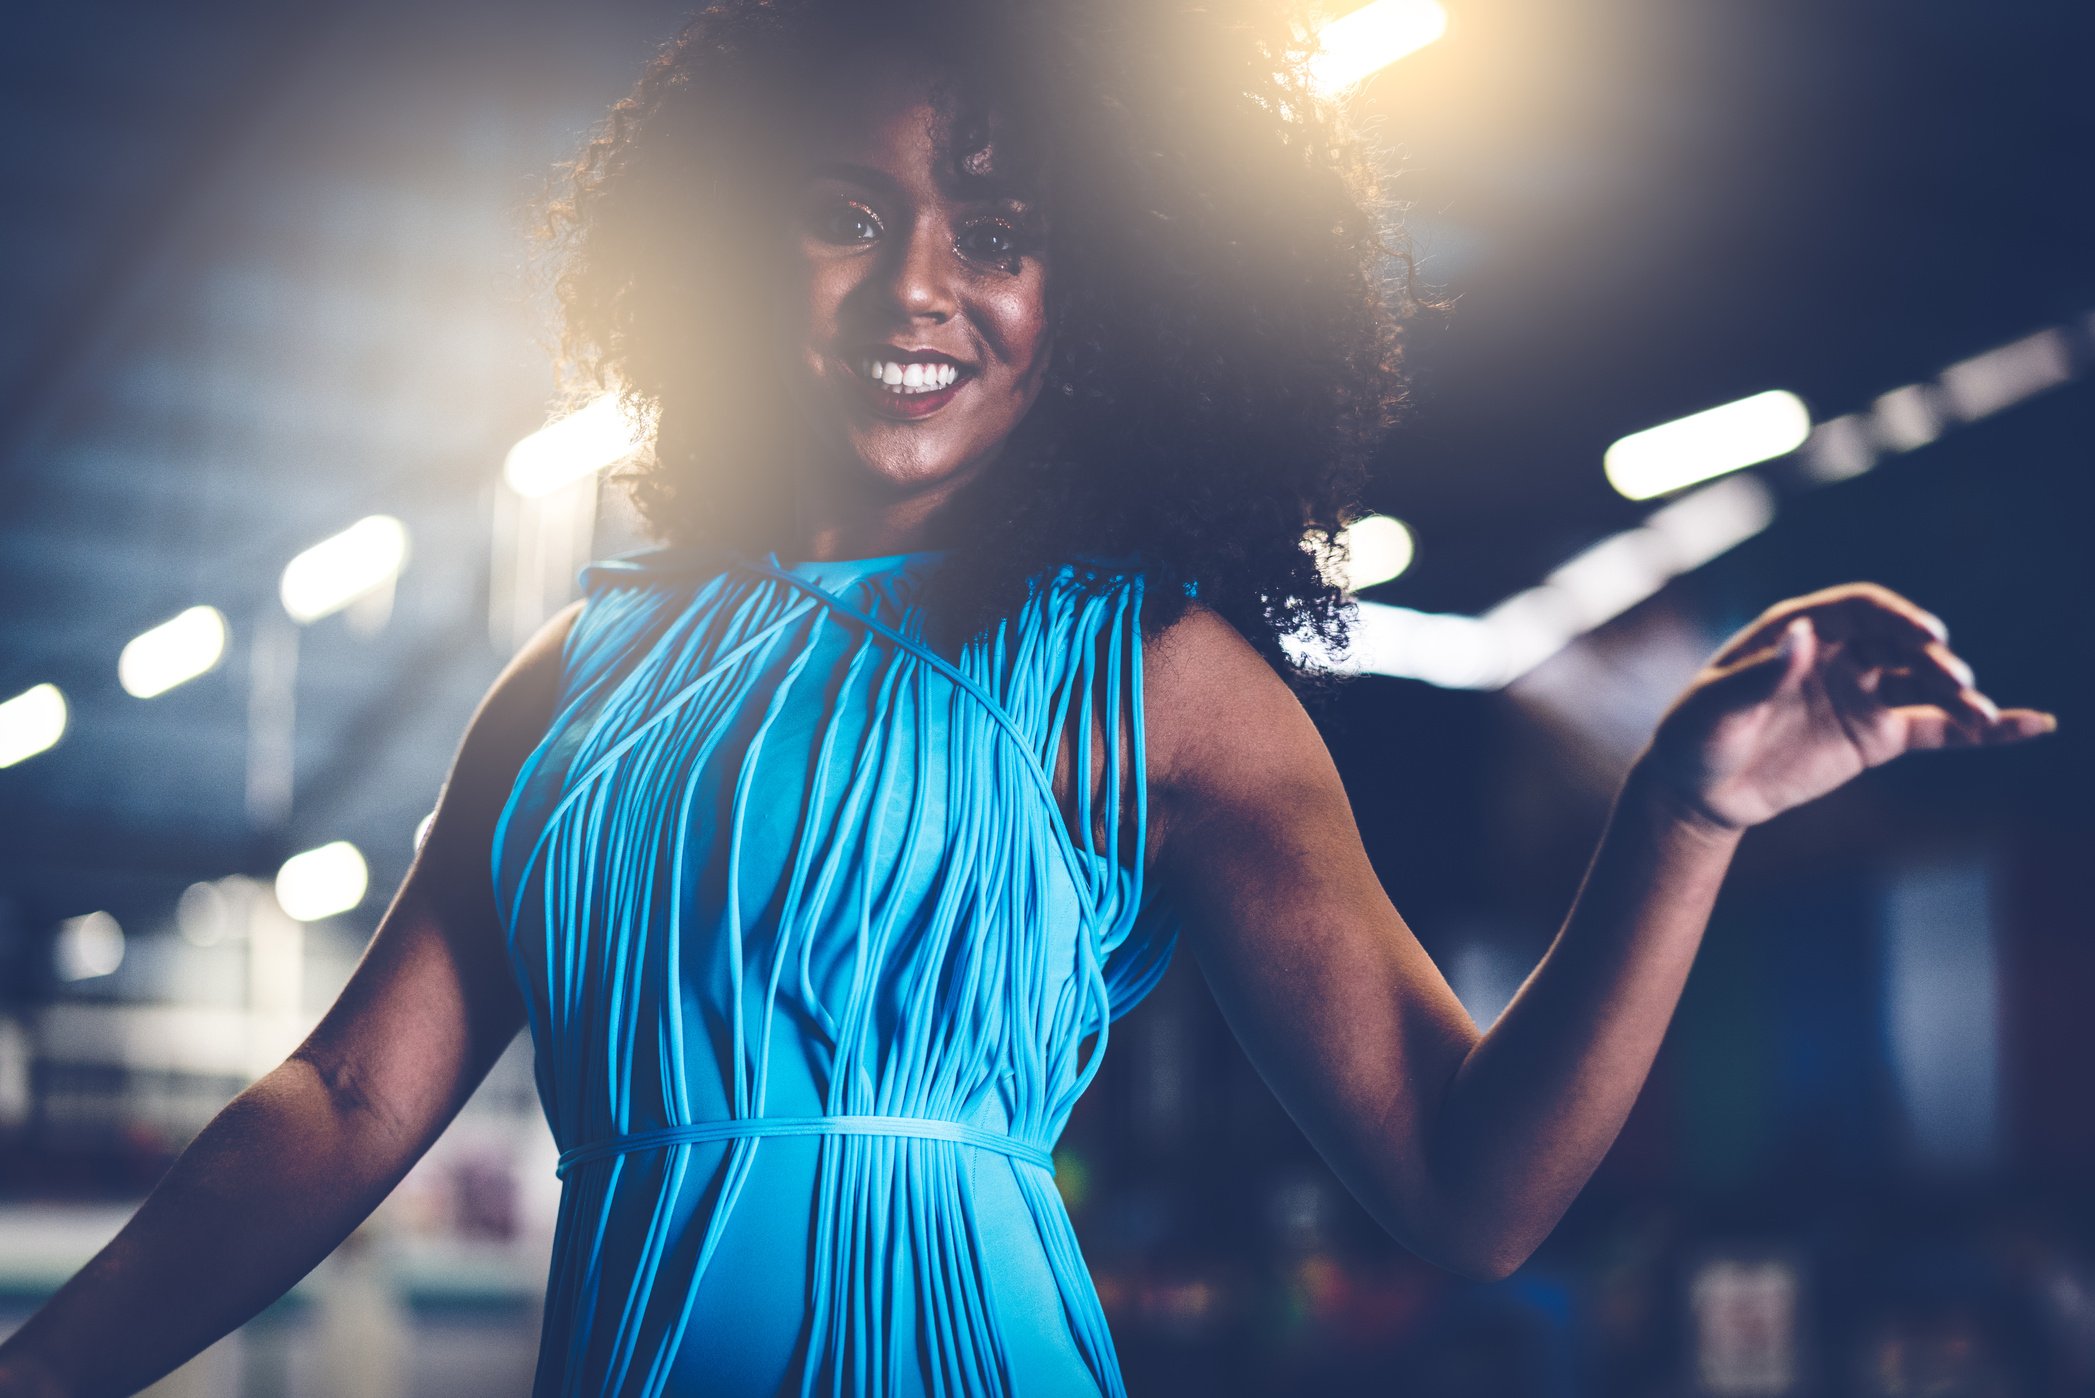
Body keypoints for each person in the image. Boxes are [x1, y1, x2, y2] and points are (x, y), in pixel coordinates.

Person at [0, 1, 2058, 1395]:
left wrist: (1679, 815)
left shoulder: (1156, 679)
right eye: (843, 212)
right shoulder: (580, 685)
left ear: (1108, 298)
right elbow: (343, 1105)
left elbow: (1467, 1182)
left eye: (1001, 232)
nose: (918, 285)